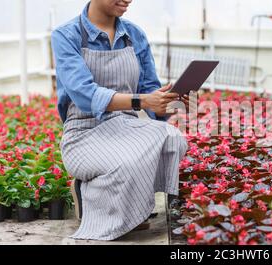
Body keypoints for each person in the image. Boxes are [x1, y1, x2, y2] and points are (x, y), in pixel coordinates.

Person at [51, 0, 190, 241]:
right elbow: (85, 94)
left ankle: (128, 204)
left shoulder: (134, 35)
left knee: (172, 139)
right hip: (84, 132)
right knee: (128, 161)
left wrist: (170, 102)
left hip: (126, 125)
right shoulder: (66, 35)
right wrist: (143, 101)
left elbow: (149, 91)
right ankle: (89, 196)